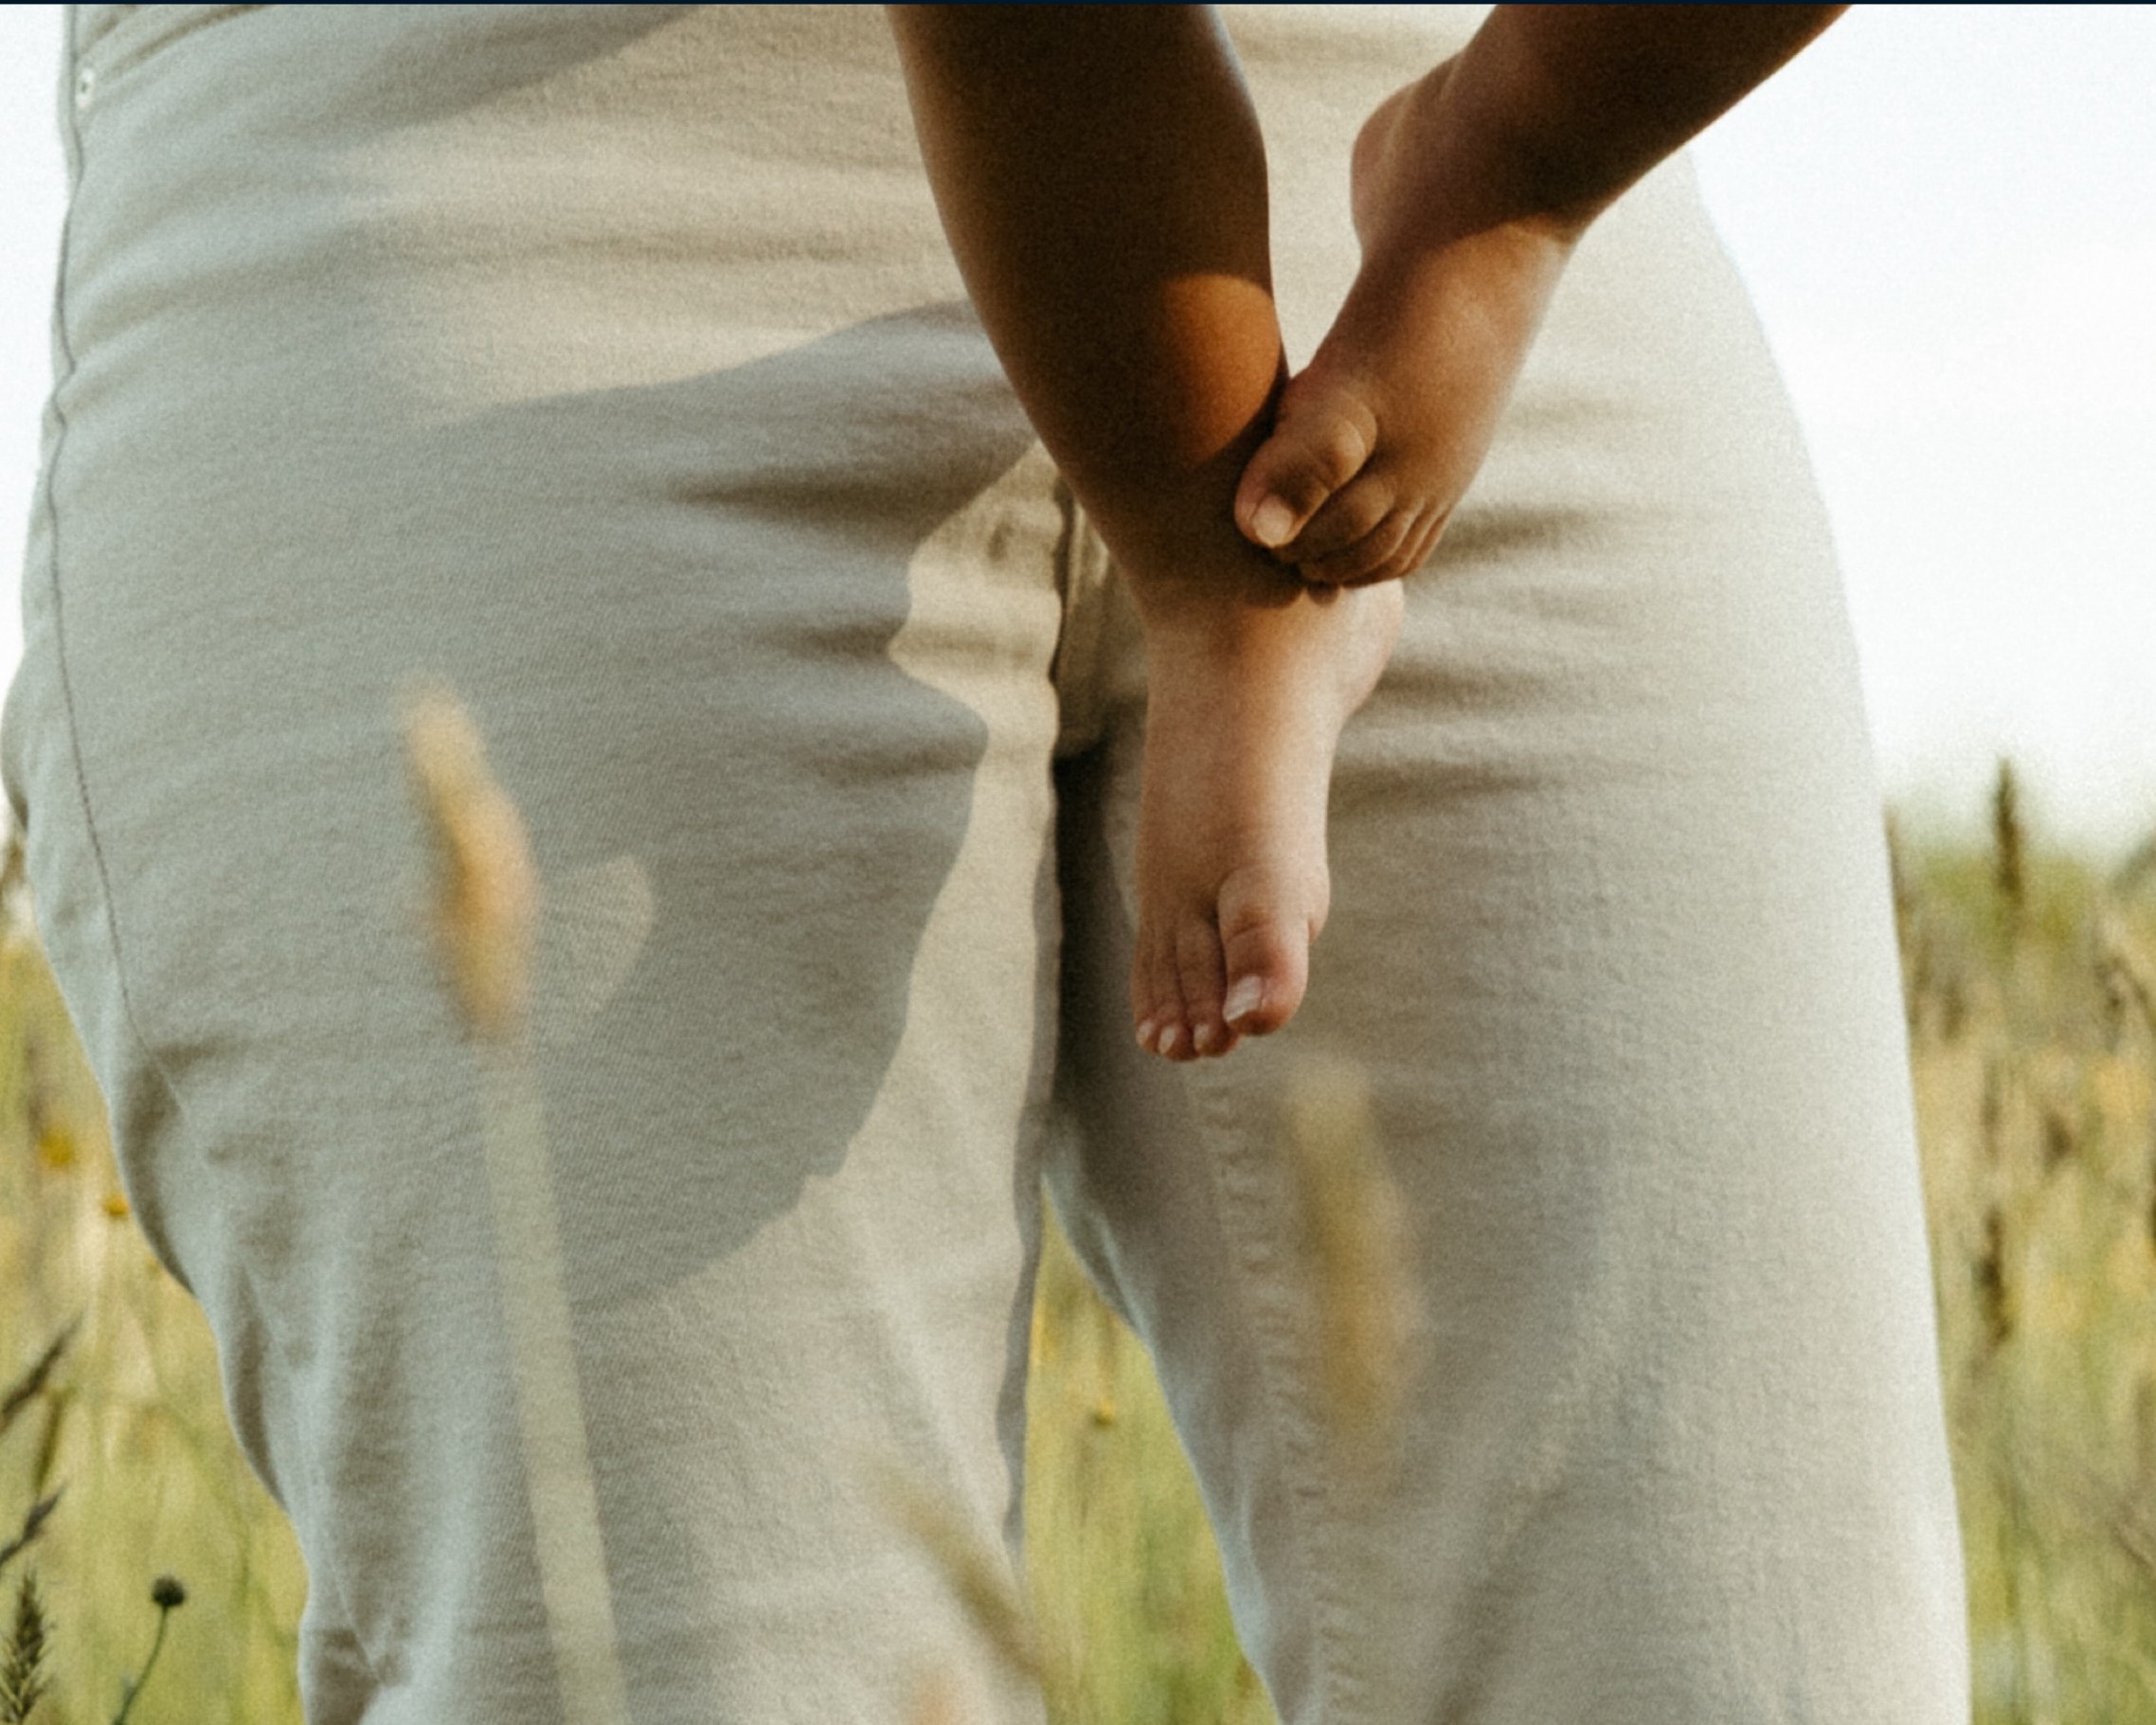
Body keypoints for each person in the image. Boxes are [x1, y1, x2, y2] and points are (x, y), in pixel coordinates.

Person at [4, 5, 1969, 1721]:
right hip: (502, 180)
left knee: (1732, 1646)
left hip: (1456, 124)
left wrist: (1509, 176)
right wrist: (1217, 555)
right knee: (704, 1667)